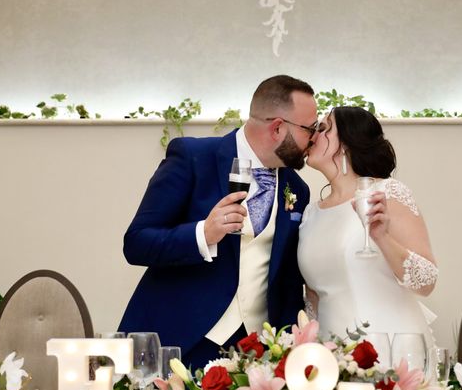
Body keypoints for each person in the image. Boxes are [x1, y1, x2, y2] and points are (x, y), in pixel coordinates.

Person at [118, 75, 317, 370]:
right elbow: (136, 243)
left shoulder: (297, 189)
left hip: (254, 354)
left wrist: (288, 354)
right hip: (180, 341)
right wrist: (203, 234)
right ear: (277, 128)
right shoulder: (193, 157)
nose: (312, 138)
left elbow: (287, 281)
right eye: (308, 129)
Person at [297, 106, 439, 366]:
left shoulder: (387, 193)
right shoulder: (310, 213)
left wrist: (382, 237)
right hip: (335, 360)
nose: (313, 135)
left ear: (347, 144)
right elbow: (314, 298)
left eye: (325, 128)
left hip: (391, 350)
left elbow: (427, 281)